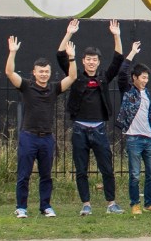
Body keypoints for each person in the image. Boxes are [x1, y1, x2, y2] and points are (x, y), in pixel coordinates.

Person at [56, 18, 125, 216]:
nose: (91, 62)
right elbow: (60, 55)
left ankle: (111, 203)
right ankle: (86, 204)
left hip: (99, 129)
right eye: (88, 59)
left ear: (98, 61)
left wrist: (116, 35)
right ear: (83, 60)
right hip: (79, 130)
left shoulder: (104, 77)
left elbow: (119, 58)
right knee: (81, 170)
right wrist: (69, 33)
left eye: (94, 59)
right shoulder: (75, 76)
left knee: (107, 168)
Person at [5, 32, 76, 219]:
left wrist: (72, 57)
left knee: (46, 175)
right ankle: (21, 207)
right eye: (40, 71)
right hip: (28, 136)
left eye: (46, 71)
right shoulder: (27, 86)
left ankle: (46, 206)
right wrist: (12, 52)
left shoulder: (54, 88)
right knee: (24, 175)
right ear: (34, 72)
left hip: (47, 138)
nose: (44, 74)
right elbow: (9, 73)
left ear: (50, 73)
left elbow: (72, 77)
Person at [116, 39, 151, 215]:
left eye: (147, 78)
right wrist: (132, 53)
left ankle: (149, 203)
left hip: (148, 138)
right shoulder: (128, 90)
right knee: (135, 174)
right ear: (135, 78)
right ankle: (134, 204)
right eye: (143, 77)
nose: (145, 80)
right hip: (134, 138)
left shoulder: (147, 93)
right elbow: (121, 73)